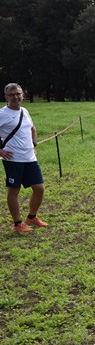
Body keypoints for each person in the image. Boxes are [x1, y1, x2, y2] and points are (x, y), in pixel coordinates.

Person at [0, 83, 47, 233]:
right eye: (12, 94)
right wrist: (0, 151)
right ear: (6, 97)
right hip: (13, 159)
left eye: (18, 94)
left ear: (23, 95)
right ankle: (17, 224)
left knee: (39, 189)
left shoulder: (24, 111)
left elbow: (32, 128)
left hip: (30, 158)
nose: (16, 97)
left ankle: (32, 217)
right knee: (14, 191)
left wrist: (33, 143)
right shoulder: (2, 114)